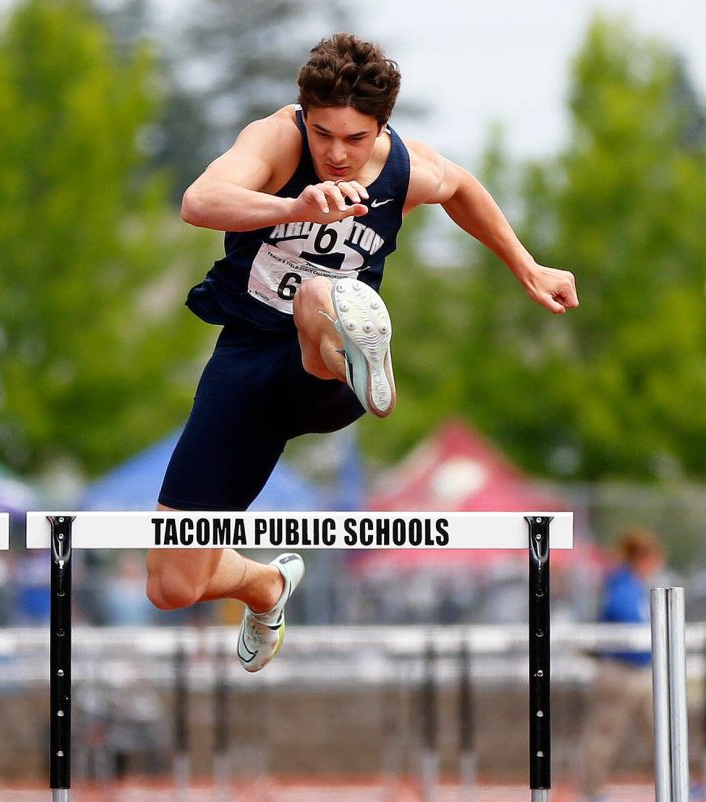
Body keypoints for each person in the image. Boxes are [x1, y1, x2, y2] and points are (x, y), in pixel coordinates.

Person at [146, 33, 579, 672]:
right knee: (171, 584)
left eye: (354, 138)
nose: (335, 153)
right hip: (243, 365)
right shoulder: (277, 139)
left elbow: (461, 188)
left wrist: (526, 265)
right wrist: (293, 204)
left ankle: (362, 351)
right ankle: (265, 586)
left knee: (321, 294)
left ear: (381, 126)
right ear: (305, 116)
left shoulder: (407, 168)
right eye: (323, 134)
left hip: (326, 367)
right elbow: (199, 202)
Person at [578, 529, 665, 802]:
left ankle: (676, 785)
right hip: (620, 670)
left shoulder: (636, 586)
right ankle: (592, 790)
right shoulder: (623, 586)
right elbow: (626, 620)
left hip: (641, 672)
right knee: (605, 732)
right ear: (643, 558)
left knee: (661, 729)